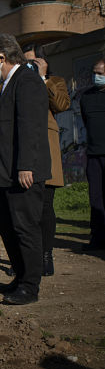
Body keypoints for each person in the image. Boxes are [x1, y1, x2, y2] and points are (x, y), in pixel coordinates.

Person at [0, 34, 50, 305]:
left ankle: (30, 285)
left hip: (23, 171)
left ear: (1, 57)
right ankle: (21, 275)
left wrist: (25, 166)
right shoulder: (10, 83)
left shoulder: (27, 81)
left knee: (25, 227)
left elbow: (30, 126)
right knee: (5, 222)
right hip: (7, 172)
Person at [21, 44, 70, 275]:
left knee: (45, 207)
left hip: (46, 151)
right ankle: (26, 259)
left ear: (43, 61)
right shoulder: (16, 82)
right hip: (22, 152)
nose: (29, 66)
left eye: (33, 62)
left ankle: (46, 255)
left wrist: (41, 78)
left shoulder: (55, 81)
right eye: (25, 62)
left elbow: (60, 104)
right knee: (24, 209)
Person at [80, 58, 105, 251]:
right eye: (95, 73)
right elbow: (85, 121)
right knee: (95, 197)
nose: (97, 77)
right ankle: (97, 238)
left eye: (101, 74)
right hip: (94, 154)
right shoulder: (86, 97)